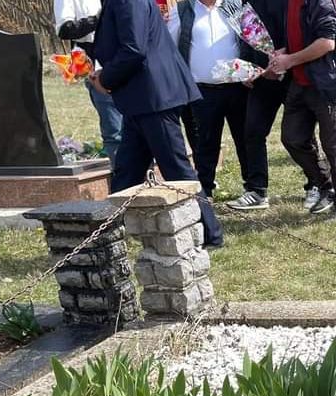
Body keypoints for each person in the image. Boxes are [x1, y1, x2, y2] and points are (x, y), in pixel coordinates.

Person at [92, 0, 223, 248]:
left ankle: (210, 233)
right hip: (142, 99)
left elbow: (134, 49)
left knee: (177, 171)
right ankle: (107, 233)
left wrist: (106, 79)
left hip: (155, 98)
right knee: (127, 171)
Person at [268, 0, 336, 219]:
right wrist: (282, 53)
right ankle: (326, 185)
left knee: (335, 146)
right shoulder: (289, 3)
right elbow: (298, 36)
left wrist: (290, 60)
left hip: (326, 85)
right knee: (292, 138)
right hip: (300, 84)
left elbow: (326, 43)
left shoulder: (320, 3)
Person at [228, 0, 316, 211]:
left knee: (301, 135)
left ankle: (316, 183)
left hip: (293, 75)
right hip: (261, 78)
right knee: (253, 132)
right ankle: (257, 190)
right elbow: (246, 32)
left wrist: (283, 59)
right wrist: (246, 67)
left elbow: (299, 29)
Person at [168, 0, 254, 200]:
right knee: (205, 142)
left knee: (245, 138)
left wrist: (251, 69)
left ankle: (253, 187)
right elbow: (170, 48)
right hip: (201, 90)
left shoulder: (235, 6)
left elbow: (251, 39)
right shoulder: (182, 10)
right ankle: (205, 190)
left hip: (238, 87)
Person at [54, 0, 123, 164]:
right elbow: (64, 29)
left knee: (138, 126)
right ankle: (122, 174)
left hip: (125, 62)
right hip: (96, 69)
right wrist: (97, 20)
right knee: (115, 131)